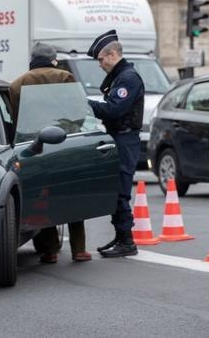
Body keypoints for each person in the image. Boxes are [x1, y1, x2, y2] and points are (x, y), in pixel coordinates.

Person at [10, 43, 91, 264]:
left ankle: (50, 250)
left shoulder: (18, 84)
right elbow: (79, 110)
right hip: (65, 143)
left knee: (42, 197)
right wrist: (70, 129)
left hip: (36, 147)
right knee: (72, 194)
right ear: (53, 59)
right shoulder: (65, 77)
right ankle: (79, 249)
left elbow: (15, 118)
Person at [86, 30, 144, 259]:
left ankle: (127, 241)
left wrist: (85, 103)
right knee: (115, 190)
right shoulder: (120, 77)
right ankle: (121, 237)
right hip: (119, 137)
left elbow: (115, 109)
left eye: (101, 59)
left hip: (125, 138)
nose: (100, 65)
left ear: (111, 55)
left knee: (120, 191)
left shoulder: (128, 78)